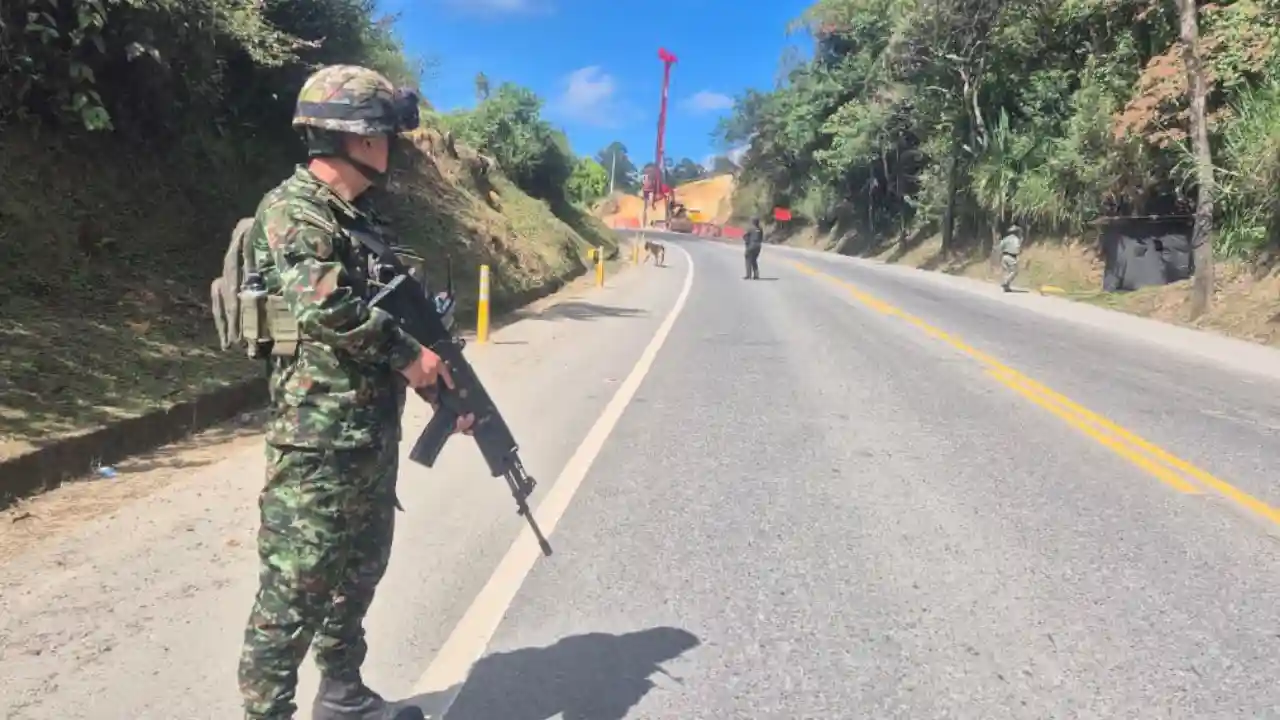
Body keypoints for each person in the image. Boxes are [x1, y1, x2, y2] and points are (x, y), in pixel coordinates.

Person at [235, 64, 473, 720]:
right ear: (361, 138)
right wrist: (409, 357)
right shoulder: (293, 212)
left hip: (367, 436)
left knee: (358, 575)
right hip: (315, 445)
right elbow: (326, 310)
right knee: (292, 596)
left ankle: (342, 696)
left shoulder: (359, 220)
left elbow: (402, 321)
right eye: (387, 135)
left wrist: (442, 390)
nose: (391, 148)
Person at [999, 223, 1024, 292]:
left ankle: (1006, 288)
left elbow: (1001, 246)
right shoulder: (1016, 239)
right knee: (1014, 271)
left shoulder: (1006, 238)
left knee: (1007, 271)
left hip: (1004, 256)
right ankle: (1005, 282)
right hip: (1011, 256)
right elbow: (1017, 248)